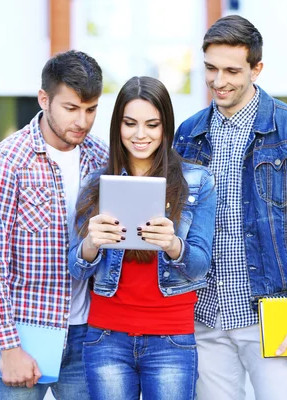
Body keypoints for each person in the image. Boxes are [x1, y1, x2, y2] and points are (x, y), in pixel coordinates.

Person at [173, 15, 287, 400]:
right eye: (210, 69)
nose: (218, 81)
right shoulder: (188, 134)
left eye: (232, 70)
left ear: (257, 69)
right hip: (205, 315)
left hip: (273, 314)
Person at [0, 50, 109, 399]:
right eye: (71, 108)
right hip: (25, 334)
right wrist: (7, 347)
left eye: (91, 109)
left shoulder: (101, 158)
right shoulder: (6, 161)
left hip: (87, 334)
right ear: (44, 99)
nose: (82, 121)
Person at [68, 76, 217, 400]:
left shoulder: (196, 181)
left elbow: (201, 266)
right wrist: (91, 245)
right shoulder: (96, 183)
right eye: (130, 123)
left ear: (166, 127)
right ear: (117, 126)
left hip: (171, 338)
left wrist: (173, 245)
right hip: (107, 337)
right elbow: (77, 269)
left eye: (152, 124)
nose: (140, 135)